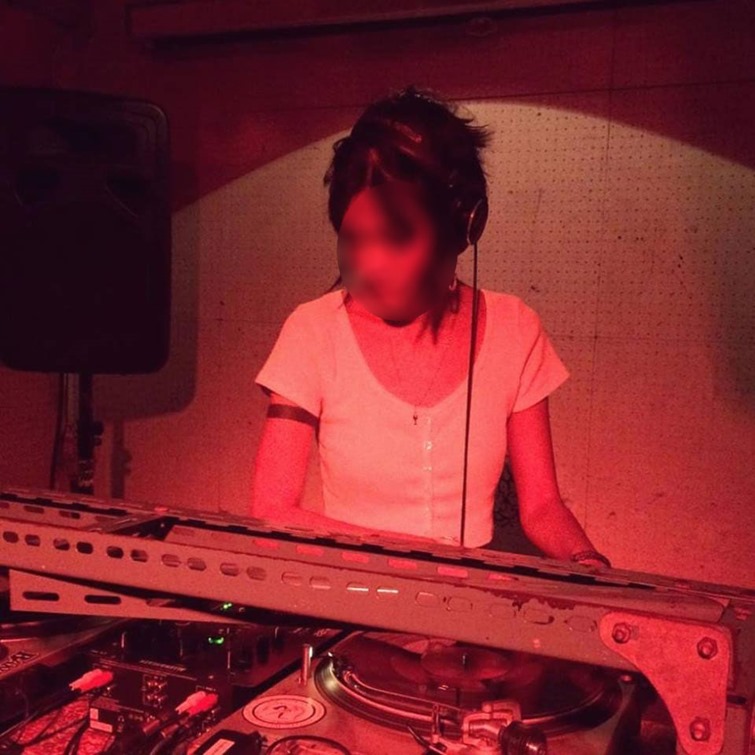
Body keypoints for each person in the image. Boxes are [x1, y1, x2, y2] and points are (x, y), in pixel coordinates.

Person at [251, 85, 610, 570]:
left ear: (462, 227)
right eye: (355, 239)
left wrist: (588, 561)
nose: (370, 265)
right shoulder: (312, 331)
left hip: (469, 605)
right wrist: (420, 561)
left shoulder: (514, 329)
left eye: (395, 238)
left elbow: (542, 507)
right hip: (352, 601)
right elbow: (272, 510)